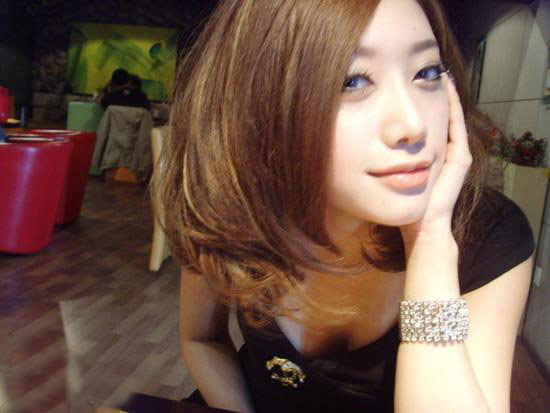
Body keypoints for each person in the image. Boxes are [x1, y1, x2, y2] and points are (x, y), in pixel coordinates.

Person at [154, 0, 535, 412]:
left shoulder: (489, 235)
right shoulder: (234, 212)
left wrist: (429, 243)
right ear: (258, 106)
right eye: (352, 81)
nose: (412, 125)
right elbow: (201, 338)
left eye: (426, 73)